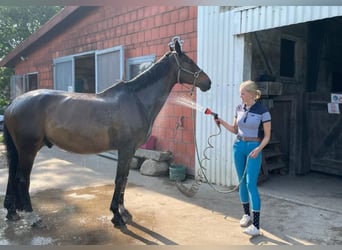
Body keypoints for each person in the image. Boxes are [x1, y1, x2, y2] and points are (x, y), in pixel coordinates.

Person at [215, 80, 271, 236]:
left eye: (243, 93)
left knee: (251, 183)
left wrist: (259, 149)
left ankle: (256, 226)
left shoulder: (263, 111)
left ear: (252, 94)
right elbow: (234, 129)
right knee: (241, 182)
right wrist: (221, 121)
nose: (240, 95)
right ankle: (246, 215)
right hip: (239, 146)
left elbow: (267, 136)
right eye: (240, 93)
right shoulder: (239, 108)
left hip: (254, 147)